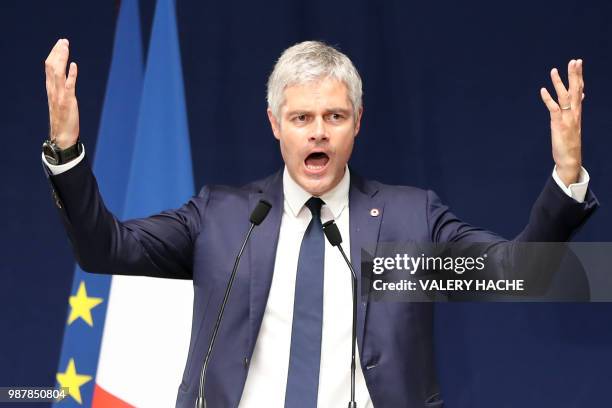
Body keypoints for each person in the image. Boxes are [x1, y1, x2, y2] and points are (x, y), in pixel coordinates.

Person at [43, 39, 597, 407]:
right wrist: (67, 152)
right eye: (301, 118)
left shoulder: (408, 220)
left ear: (357, 123)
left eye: (334, 116)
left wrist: (566, 175)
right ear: (274, 126)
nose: (317, 133)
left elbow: (517, 273)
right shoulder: (225, 217)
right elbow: (103, 249)